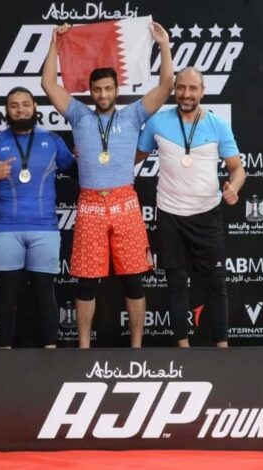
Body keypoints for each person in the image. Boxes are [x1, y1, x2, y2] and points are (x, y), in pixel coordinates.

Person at [41, 21, 173, 348]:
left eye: (108, 89)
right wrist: (55, 43)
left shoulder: (133, 115)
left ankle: (137, 347)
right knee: (86, 281)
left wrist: (164, 45)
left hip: (125, 203)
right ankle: (84, 348)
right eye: (97, 89)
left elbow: (166, 85)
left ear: (116, 89)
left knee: (134, 279)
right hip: (90, 205)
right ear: (91, 91)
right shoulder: (79, 115)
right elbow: (48, 84)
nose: (102, 94)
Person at [136, 67, 245, 348]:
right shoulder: (157, 122)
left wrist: (234, 187)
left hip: (207, 215)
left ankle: (222, 348)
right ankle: (183, 350)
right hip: (170, 215)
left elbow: (237, 169)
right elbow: (133, 157)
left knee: (216, 284)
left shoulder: (218, 125)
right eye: (181, 87)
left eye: (192, 88)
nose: (186, 94)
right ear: (175, 90)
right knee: (175, 283)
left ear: (202, 92)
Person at [0, 87, 75, 349]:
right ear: (7, 111)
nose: (21, 110)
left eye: (26, 104)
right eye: (14, 105)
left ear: (35, 107)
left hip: (45, 229)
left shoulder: (52, 140)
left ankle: (50, 352)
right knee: (7, 293)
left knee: (45, 291)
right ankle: (4, 353)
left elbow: (75, 171)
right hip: (5, 229)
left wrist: (88, 157)